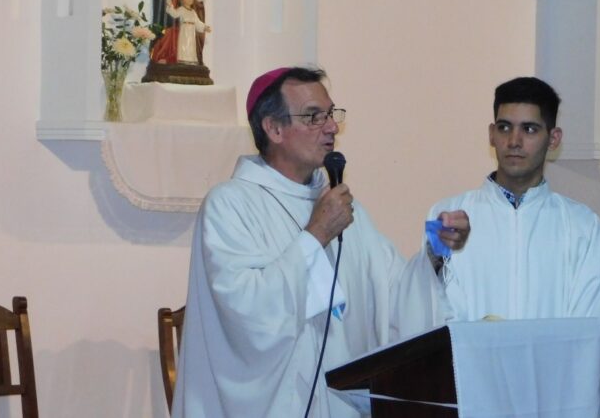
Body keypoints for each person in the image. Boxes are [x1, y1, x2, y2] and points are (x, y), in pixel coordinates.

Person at [171, 66, 469, 417]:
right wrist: (317, 235)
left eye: (331, 114)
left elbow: (394, 296)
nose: (331, 128)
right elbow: (248, 315)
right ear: (273, 128)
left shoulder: (342, 208)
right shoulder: (230, 205)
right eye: (313, 117)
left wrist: (435, 252)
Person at [402, 76, 600, 416]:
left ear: (554, 138)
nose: (514, 141)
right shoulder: (447, 215)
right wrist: (435, 252)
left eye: (530, 129)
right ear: (491, 134)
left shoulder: (581, 226)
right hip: (473, 399)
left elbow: (591, 337)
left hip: (549, 402)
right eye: (505, 127)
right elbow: (424, 310)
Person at [165, 0, 211, 65]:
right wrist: (170, 6)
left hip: (191, 32)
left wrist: (204, 27)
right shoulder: (181, 9)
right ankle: (183, 59)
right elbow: (174, 14)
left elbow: (197, 22)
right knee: (184, 45)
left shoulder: (193, 12)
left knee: (191, 45)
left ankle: (191, 60)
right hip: (184, 31)